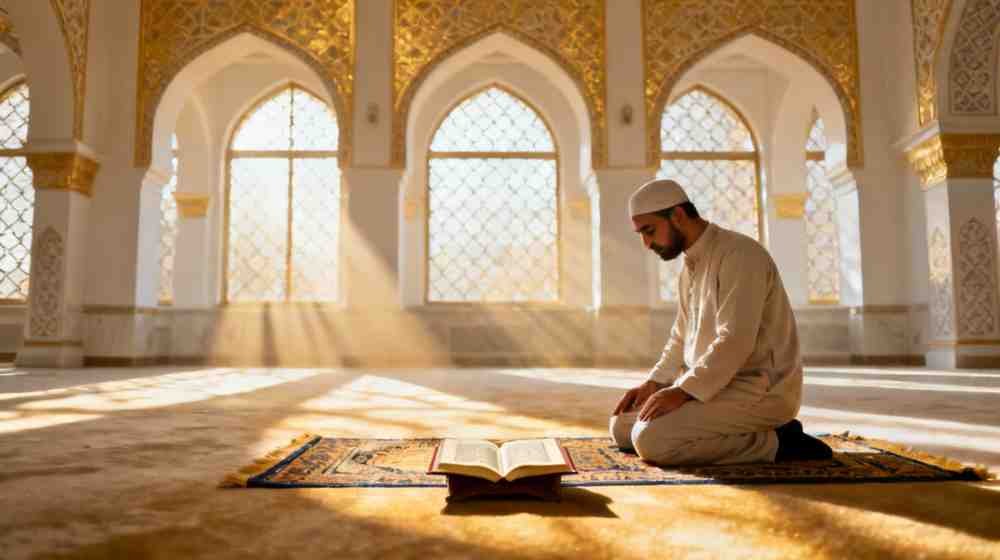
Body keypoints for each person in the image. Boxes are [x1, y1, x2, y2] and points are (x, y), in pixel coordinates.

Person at [609, 178, 832, 465]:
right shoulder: (689, 268)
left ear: (677, 215)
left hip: (758, 387)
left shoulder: (739, 254)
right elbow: (681, 336)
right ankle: (750, 433)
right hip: (712, 385)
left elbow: (735, 339)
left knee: (651, 440)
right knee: (622, 426)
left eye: (649, 231)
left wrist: (682, 391)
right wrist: (655, 383)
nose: (646, 243)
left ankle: (776, 441)